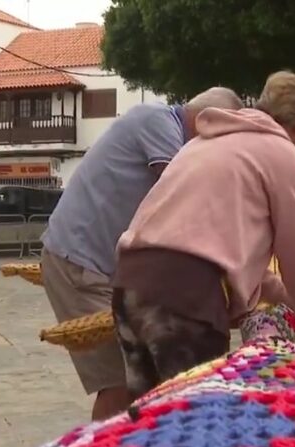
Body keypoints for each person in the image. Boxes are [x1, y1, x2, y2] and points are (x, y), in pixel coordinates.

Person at [112, 71, 295, 400]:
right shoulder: (283, 156)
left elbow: (223, 253)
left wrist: (281, 296)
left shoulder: (203, 143)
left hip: (131, 283)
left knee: (149, 421)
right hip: (186, 295)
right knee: (197, 421)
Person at [40, 88, 244, 420]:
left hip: (95, 265)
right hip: (79, 263)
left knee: (141, 379)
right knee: (121, 381)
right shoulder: (157, 121)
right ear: (207, 121)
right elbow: (182, 197)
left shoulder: (165, 128)